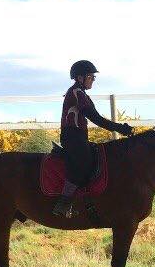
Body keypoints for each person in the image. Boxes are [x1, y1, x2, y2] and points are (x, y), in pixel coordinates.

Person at [53, 60, 134, 217]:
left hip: (79, 136)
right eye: (91, 77)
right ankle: (63, 203)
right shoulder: (76, 93)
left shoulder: (82, 94)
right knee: (84, 162)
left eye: (93, 77)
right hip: (72, 137)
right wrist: (120, 128)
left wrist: (119, 128)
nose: (93, 80)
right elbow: (96, 118)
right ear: (80, 77)